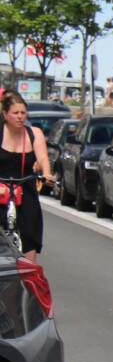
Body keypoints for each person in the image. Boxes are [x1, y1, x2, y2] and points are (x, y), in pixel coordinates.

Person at [0, 91, 55, 261]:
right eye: (15, 113)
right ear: (5, 114)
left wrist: (46, 173)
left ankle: (29, 275)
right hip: (1, 187)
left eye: (23, 113)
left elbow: (43, 157)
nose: (20, 117)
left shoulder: (34, 133)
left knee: (30, 229)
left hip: (25, 187)